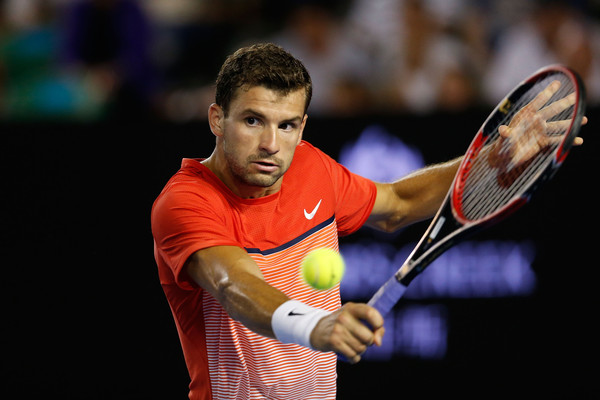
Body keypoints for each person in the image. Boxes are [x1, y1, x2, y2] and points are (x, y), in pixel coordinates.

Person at [150, 43, 583, 400]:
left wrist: (491, 160)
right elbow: (232, 285)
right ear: (216, 120)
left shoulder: (310, 168)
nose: (270, 144)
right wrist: (315, 326)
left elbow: (396, 203)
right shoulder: (185, 201)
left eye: (287, 126)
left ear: (303, 127)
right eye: (252, 121)